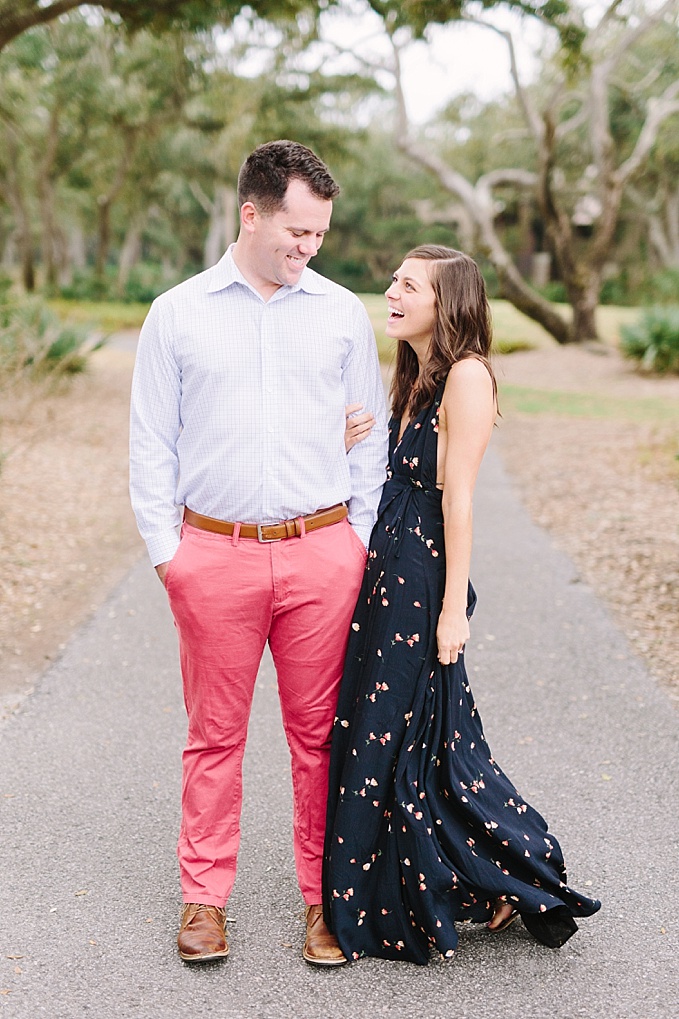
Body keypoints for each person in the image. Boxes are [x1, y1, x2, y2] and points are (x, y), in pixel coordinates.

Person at [129, 140, 388, 965]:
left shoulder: (340, 312)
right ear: (251, 212)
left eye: (318, 234)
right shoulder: (178, 312)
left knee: (319, 738)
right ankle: (204, 899)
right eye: (296, 231)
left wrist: (354, 540)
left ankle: (326, 899)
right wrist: (170, 555)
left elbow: (368, 438)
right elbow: (150, 444)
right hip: (214, 555)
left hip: (321, 554)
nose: (308, 248)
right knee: (214, 737)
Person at [323, 245, 601, 964]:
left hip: (421, 576)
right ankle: (470, 882)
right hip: (389, 567)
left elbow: (461, 498)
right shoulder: (418, 375)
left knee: (419, 732)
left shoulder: (468, 377)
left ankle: (515, 871)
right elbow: (397, 472)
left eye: (407, 285)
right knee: (404, 732)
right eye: (392, 279)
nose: (389, 291)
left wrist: (453, 610)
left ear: (445, 303)